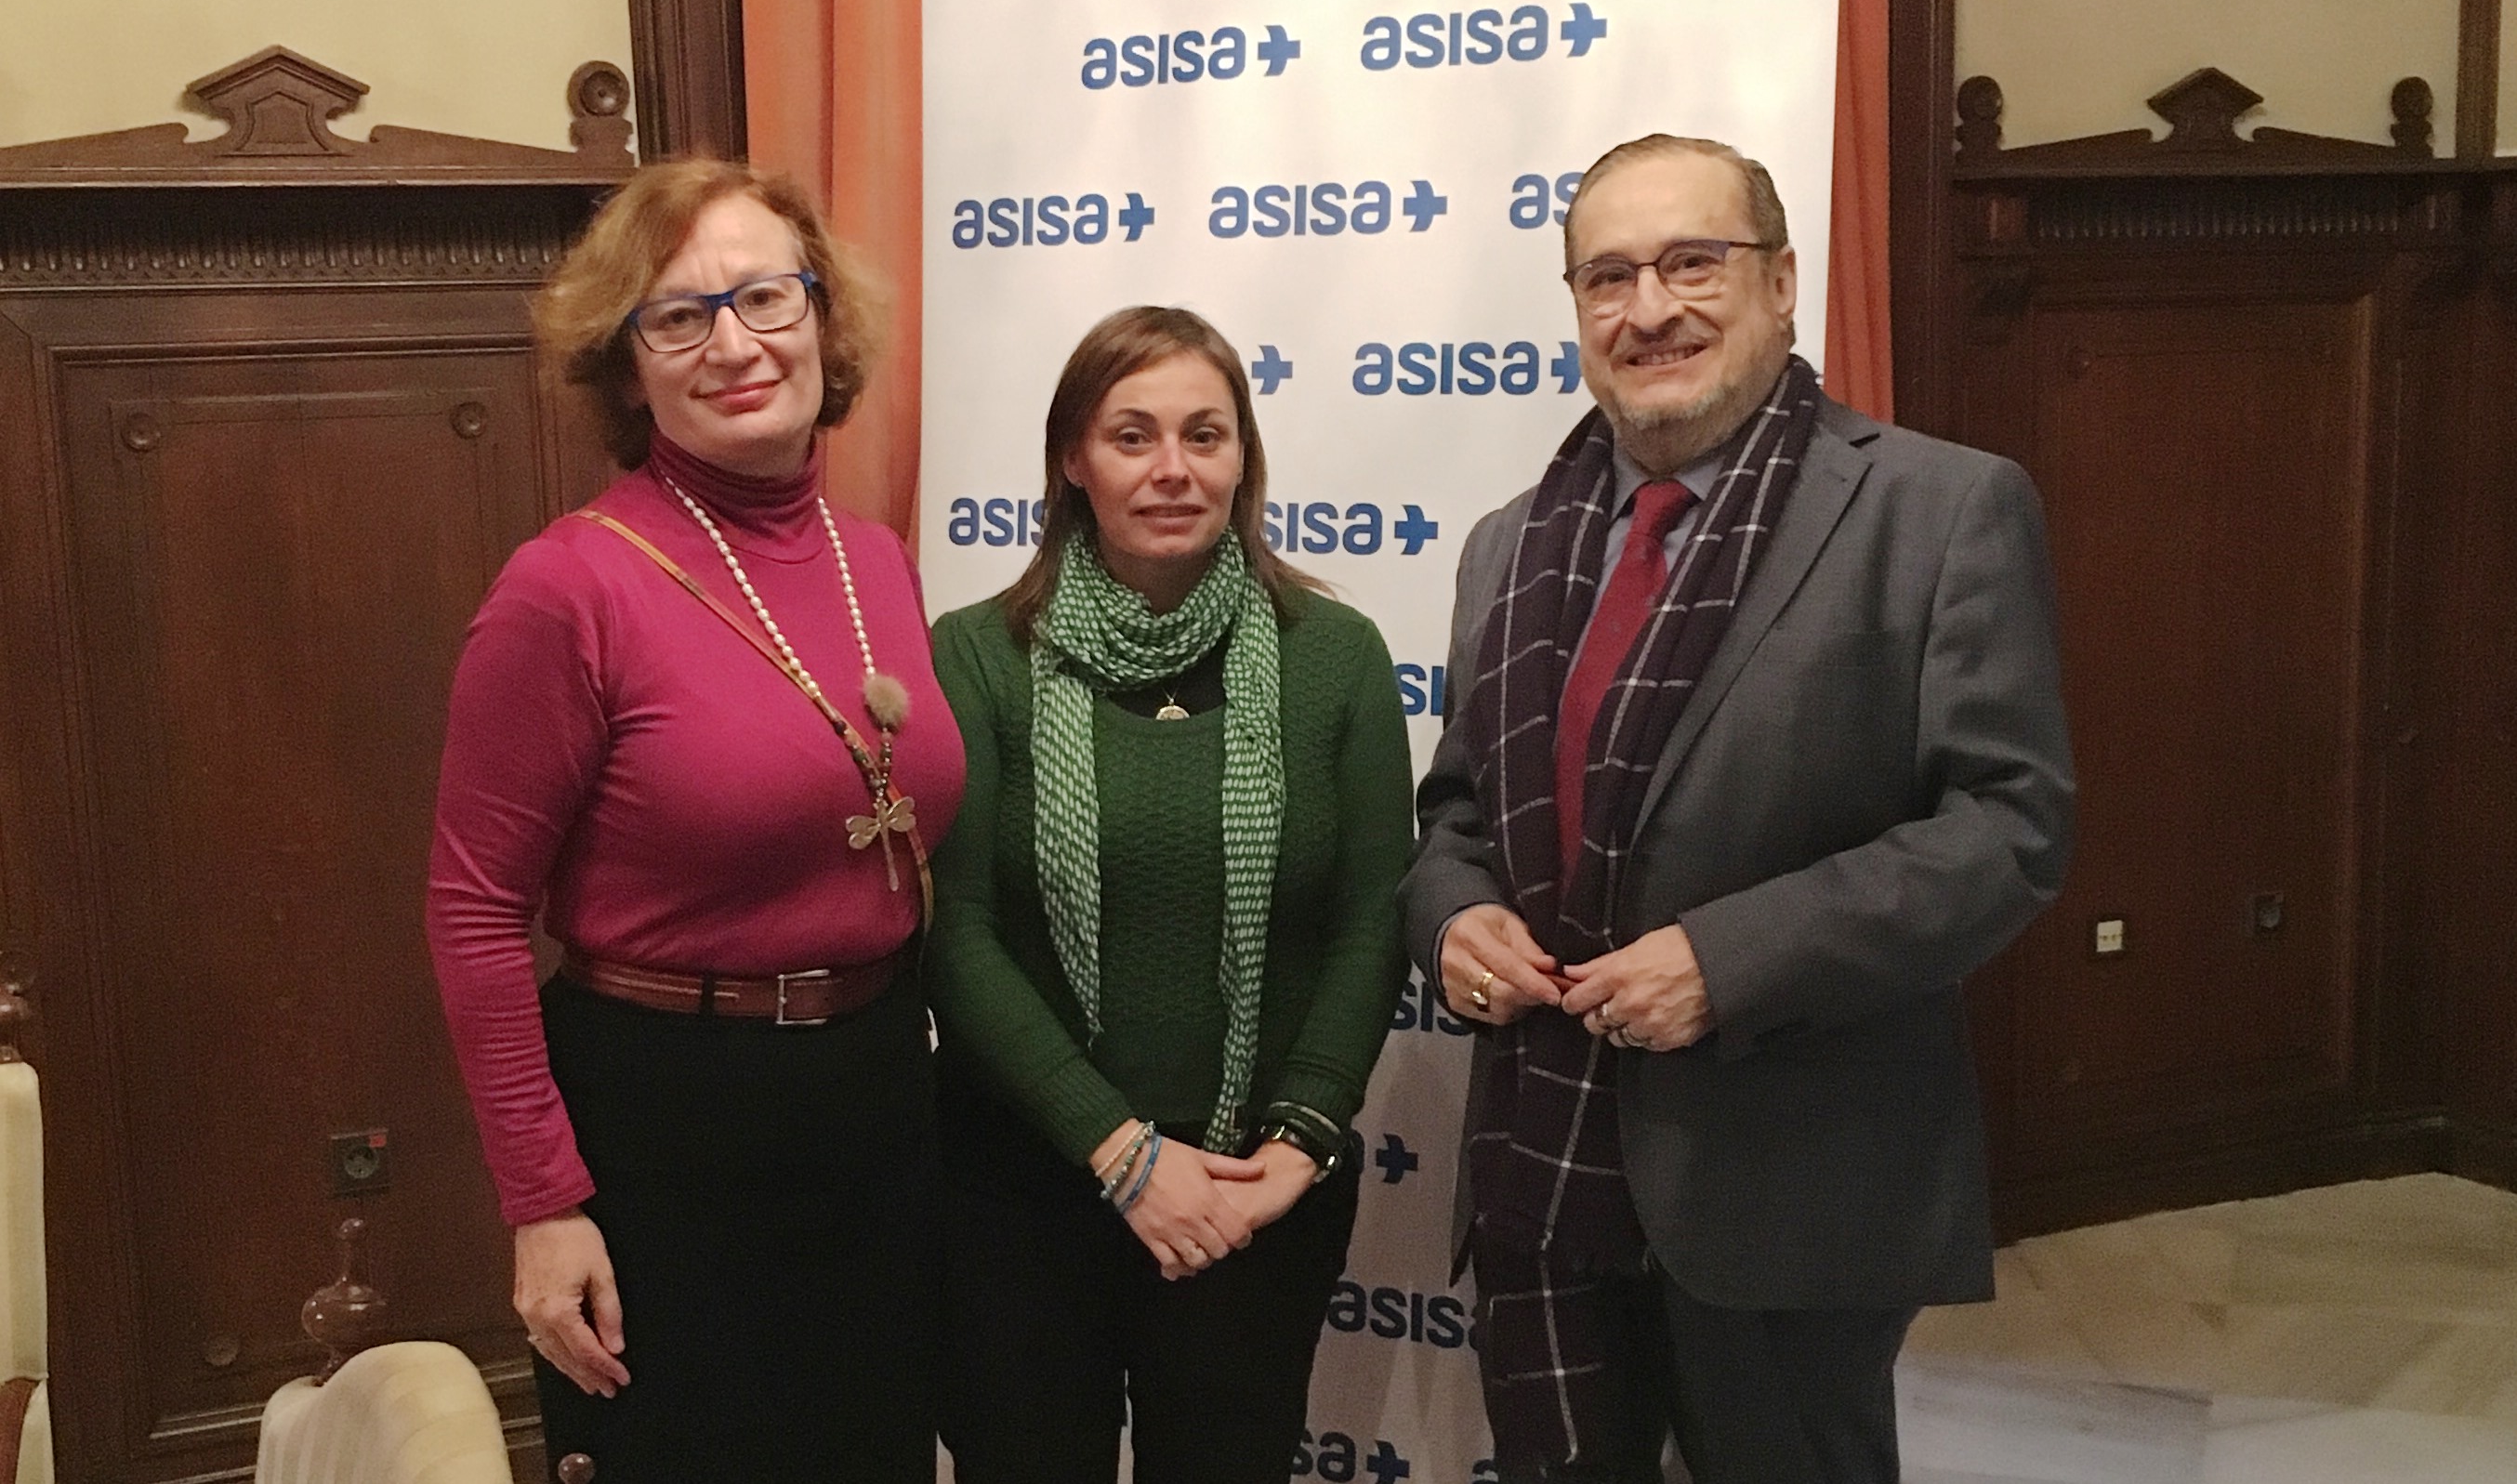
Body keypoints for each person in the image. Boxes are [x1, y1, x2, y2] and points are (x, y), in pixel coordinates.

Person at [1402, 135, 2074, 1484]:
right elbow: (1459, 812)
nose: (1648, 308)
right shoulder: (1504, 545)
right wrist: (1454, 917)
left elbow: (2008, 826)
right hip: (1542, 1172)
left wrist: (1730, 961)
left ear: (1779, 283)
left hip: (1791, 1191)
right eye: (1608, 276)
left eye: (1691, 263)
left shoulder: (1939, 508)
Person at [426, 160, 964, 1484]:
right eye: (678, 317)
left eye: (765, 297)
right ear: (627, 368)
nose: (734, 345)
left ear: (822, 318)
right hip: (665, 1127)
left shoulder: (875, 560)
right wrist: (543, 1204)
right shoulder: (567, 590)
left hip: (876, 1099)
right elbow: (473, 914)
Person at [927, 305, 1414, 1484]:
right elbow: (956, 931)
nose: (1172, 469)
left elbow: (1369, 917)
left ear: (1242, 456)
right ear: (1071, 459)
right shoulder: (976, 654)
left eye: (1204, 434)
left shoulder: (1335, 655)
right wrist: (1119, 1152)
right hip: (1024, 1185)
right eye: (1131, 435)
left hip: (1251, 1194)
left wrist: (1299, 1142)